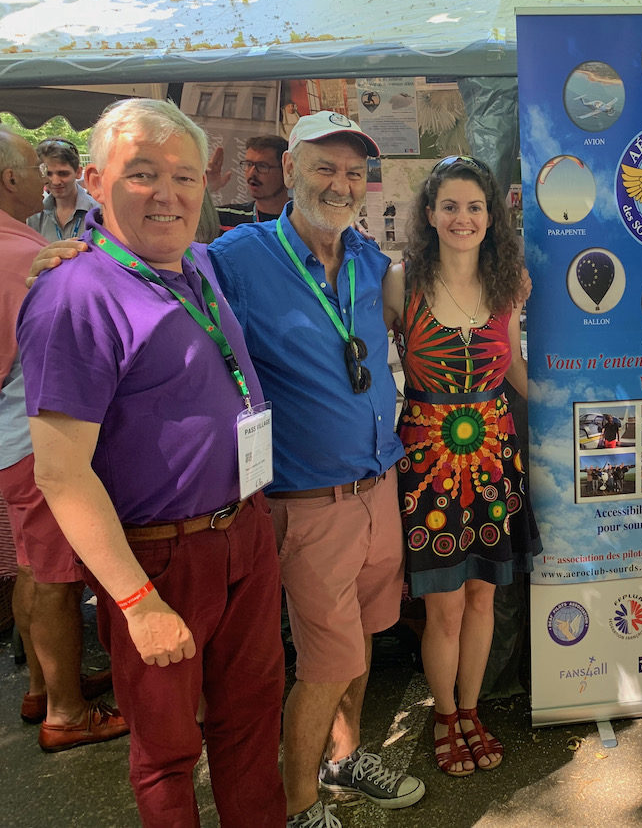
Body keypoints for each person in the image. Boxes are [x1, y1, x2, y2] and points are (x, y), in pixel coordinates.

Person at [17, 99, 284, 822]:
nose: (167, 193)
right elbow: (60, 473)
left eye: (184, 176)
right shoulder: (75, 294)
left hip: (244, 534)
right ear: (97, 181)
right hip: (162, 559)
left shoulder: (196, 262)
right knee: (168, 752)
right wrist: (137, 603)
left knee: (254, 723)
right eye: (143, 174)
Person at [207, 113, 424, 826]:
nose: (341, 183)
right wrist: (80, 254)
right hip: (308, 500)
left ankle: (344, 756)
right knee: (324, 662)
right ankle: (299, 805)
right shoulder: (239, 256)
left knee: (362, 638)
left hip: (377, 483)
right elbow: (162, 277)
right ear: (293, 168)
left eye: (354, 172)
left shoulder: (366, 260)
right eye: (326, 167)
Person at [389, 155, 539, 777]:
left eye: (474, 206)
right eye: (449, 206)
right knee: (445, 606)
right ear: (429, 214)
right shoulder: (401, 283)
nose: (463, 217)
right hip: (429, 465)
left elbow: (510, 370)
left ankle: (472, 709)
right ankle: (445, 715)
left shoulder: (509, 284)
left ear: (491, 216)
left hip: (494, 459)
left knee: (484, 597)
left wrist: (571, 406)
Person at [0, 126, 124, 751]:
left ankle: (47, 687)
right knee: (56, 575)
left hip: (12, 441)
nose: (40, 178)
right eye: (30, 167)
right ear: (10, 179)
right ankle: (66, 713)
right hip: (34, 441)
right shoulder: (26, 256)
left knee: (32, 564)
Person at [207, 135, 289, 230]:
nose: (252, 173)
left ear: (286, 170)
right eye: (249, 164)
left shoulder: (302, 221)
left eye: (262, 166)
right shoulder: (226, 218)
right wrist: (207, 189)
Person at [25, 137, 96, 241]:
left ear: (78, 172)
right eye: (48, 174)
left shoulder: (98, 212)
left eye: (63, 173)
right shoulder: (34, 216)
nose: (55, 181)